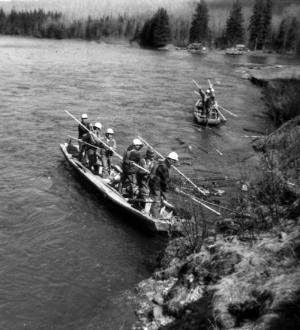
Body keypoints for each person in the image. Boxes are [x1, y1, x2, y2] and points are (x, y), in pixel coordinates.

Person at [149, 151, 179, 218]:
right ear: (170, 159)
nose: (174, 163)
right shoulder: (163, 167)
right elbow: (166, 180)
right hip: (156, 186)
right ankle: (155, 217)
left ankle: (155, 213)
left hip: (157, 185)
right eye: (174, 161)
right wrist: (174, 187)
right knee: (157, 202)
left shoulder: (162, 163)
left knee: (162, 200)